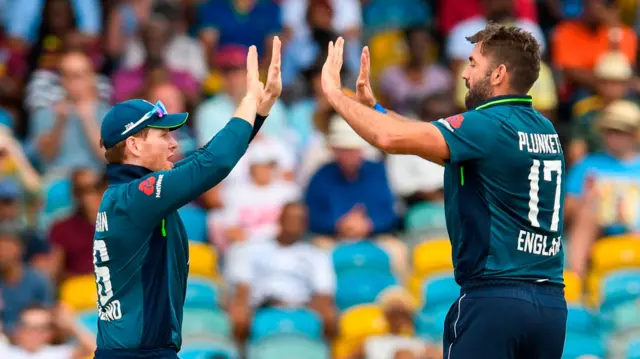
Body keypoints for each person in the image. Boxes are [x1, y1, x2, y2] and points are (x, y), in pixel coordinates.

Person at [320, 24, 567, 358]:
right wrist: (373, 109)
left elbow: (389, 139)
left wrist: (337, 96)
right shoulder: (543, 127)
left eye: (473, 63)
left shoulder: (486, 124)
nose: (464, 74)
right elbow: (420, 136)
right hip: (550, 305)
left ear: (498, 74)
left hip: (495, 300)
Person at [91, 37, 282, 359]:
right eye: (163, 134)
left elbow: (201, 162)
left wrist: (259, 108)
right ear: (134, 146)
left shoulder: (129, 196)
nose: (173, 144)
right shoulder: (138, 196)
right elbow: (212, 163)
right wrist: (248, 99)